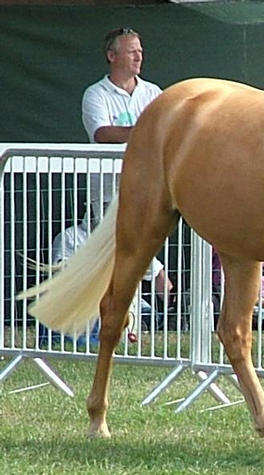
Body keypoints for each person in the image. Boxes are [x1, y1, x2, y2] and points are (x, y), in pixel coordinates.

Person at [39, 209, 173, 346]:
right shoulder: (70, 236)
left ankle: (147, 323)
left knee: (149, 314)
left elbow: (157, 274)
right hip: (85, 303)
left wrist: (173, 304)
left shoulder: (129, 239)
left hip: (127, 304)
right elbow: (63, 273)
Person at [81, 27, 162, 224]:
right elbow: (102, 134)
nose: (139, 57)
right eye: (132, 52)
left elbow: (165, 129)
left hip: (147, 188)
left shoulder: (154, 92)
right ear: (112, 56)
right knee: (113, 246)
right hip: (109, 191)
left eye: (140, 52)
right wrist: (146, 130)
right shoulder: (95, 94)